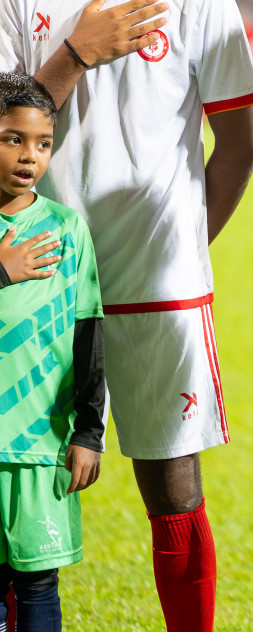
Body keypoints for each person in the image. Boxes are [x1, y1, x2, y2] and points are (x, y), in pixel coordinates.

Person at [0, 0, 253, 632]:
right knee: (15, 474)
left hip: (159, 285)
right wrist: (75, 54)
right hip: (37, 280)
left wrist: (187, 243)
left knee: (173, 489)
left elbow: (242, 145)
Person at [0, 74, 105, 632]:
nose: (30, 156)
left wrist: (89, 432)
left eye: (43, 143)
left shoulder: (67, 230)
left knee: (39, 586)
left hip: (41, 443)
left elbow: (89, 334)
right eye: (13, 138)